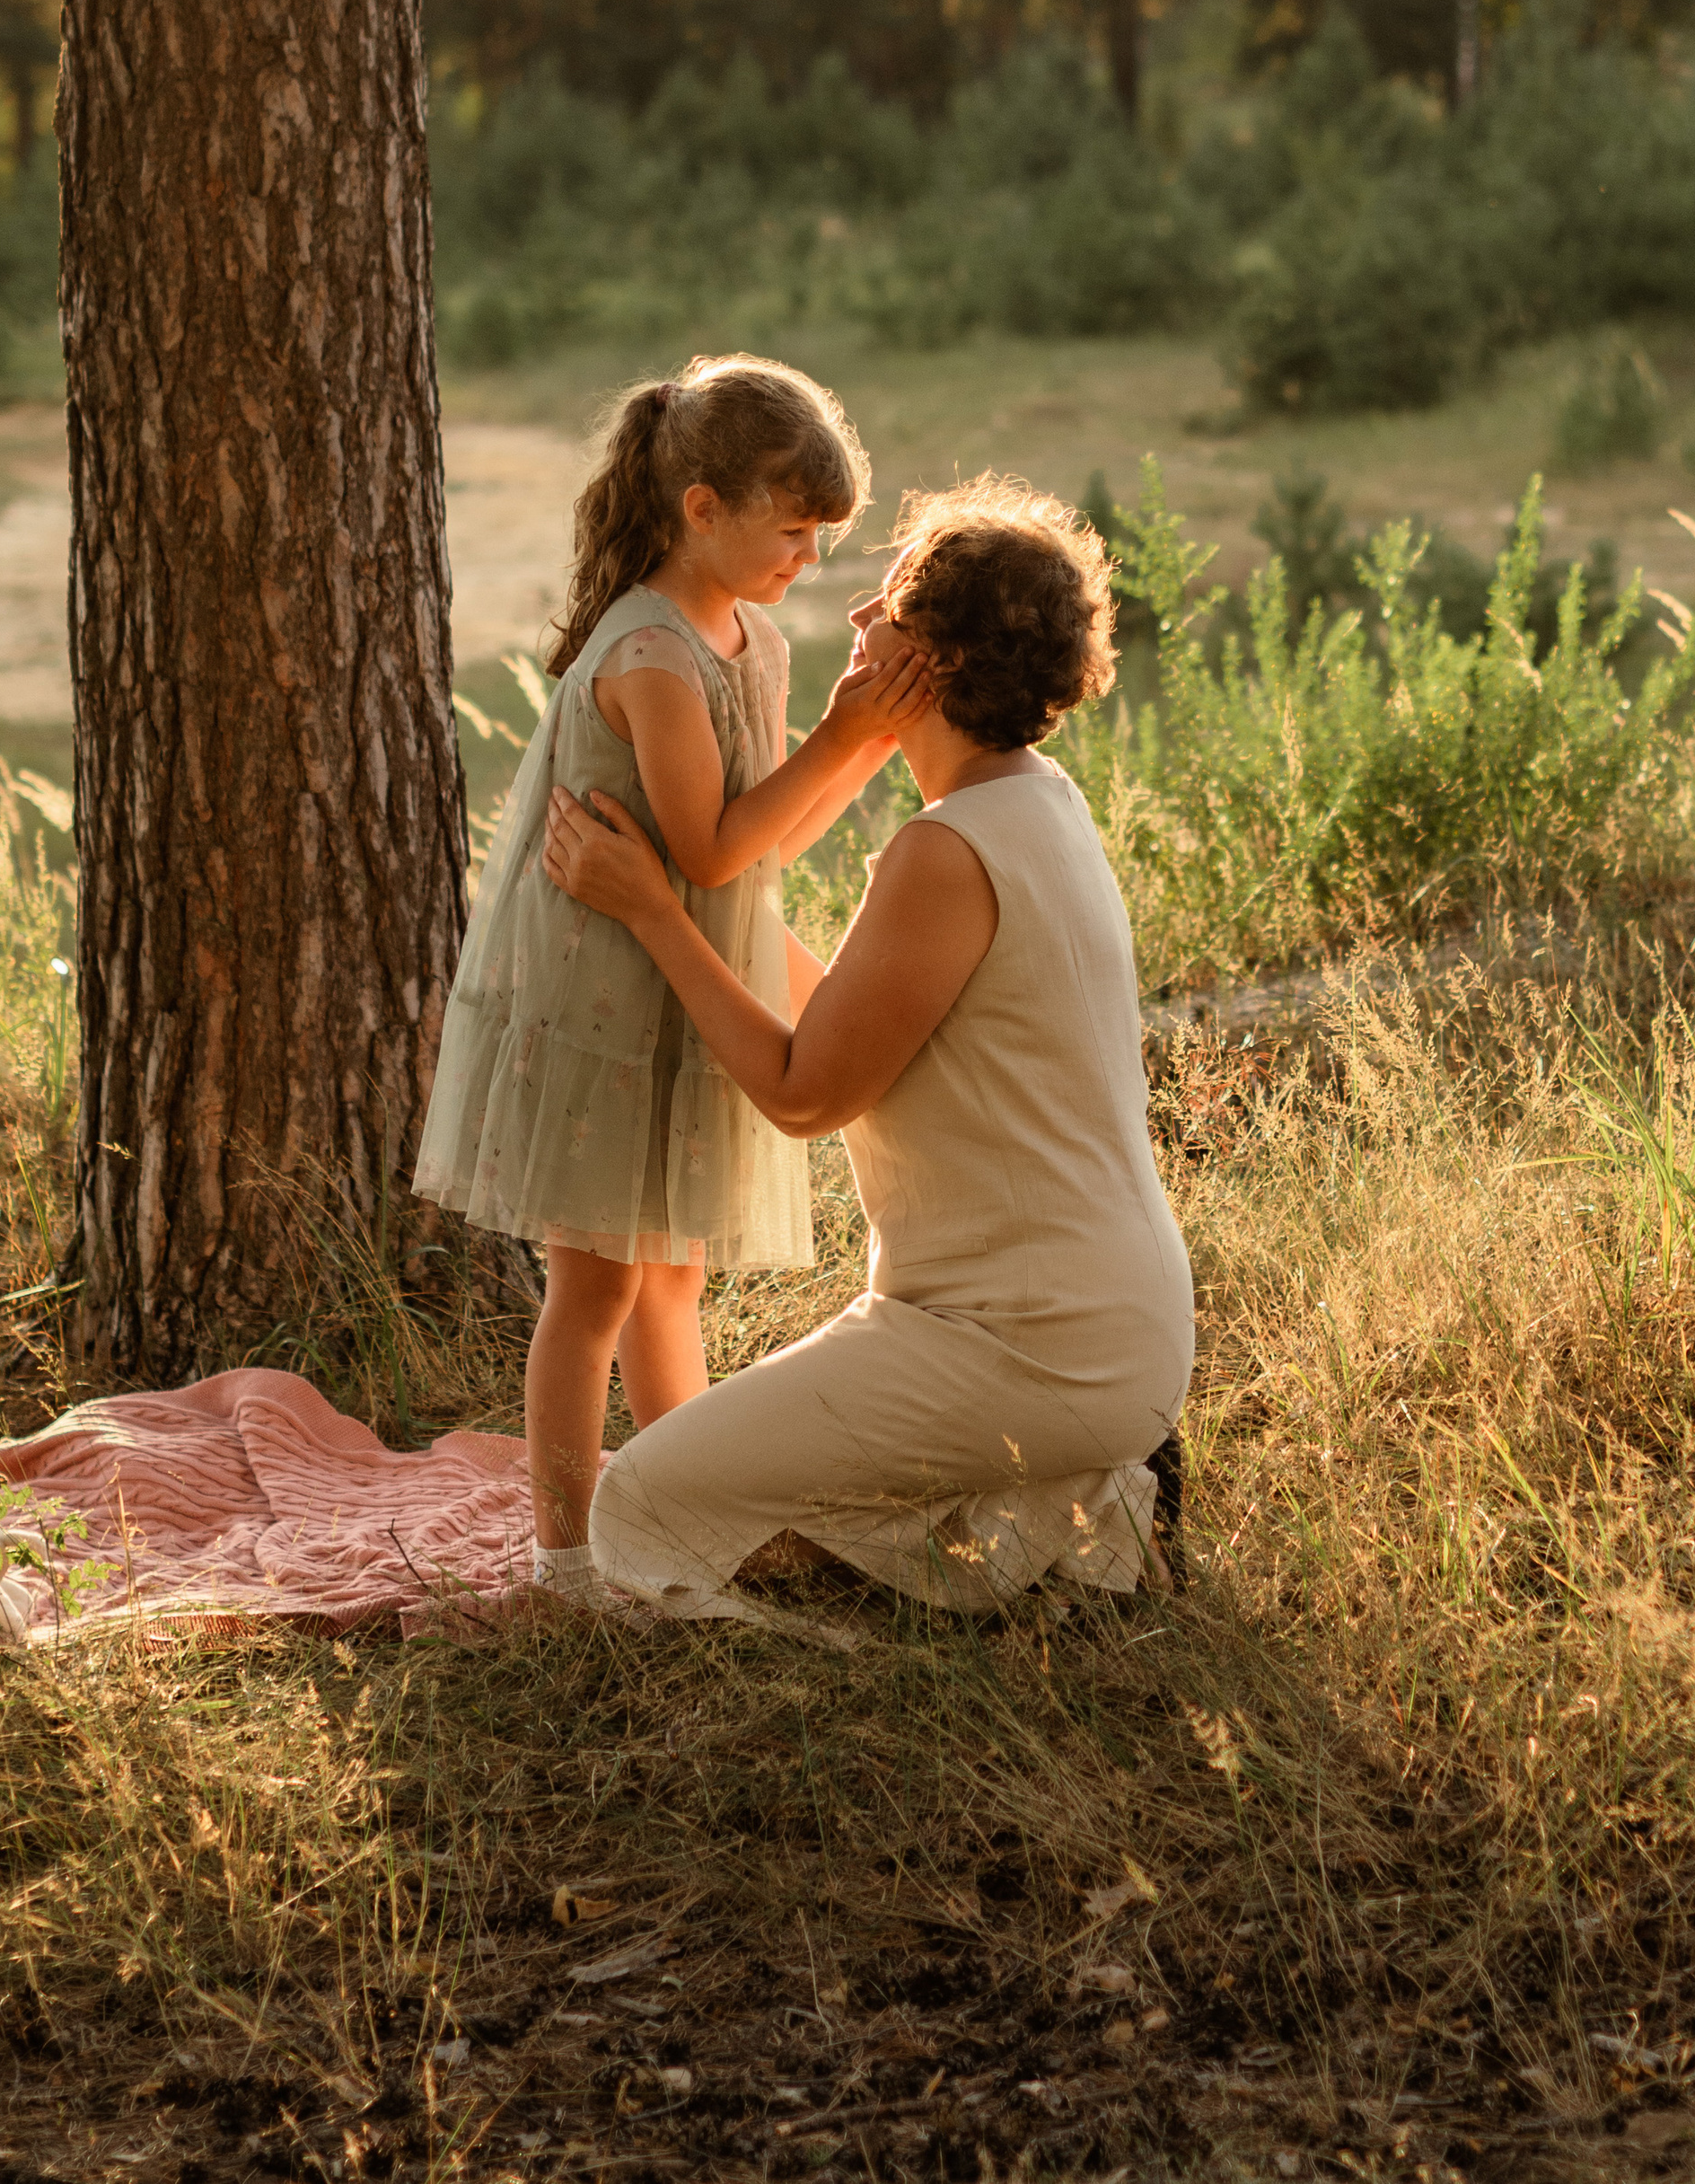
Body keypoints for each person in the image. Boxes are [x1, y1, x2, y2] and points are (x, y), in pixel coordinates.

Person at [539, 474, 1195, 1616]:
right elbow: (847, 1007)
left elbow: (802, 1091)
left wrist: (654, 912)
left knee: (640, 1502)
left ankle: (1048, 1529)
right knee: (750, 1478)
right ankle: (1077, 1508)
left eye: (886, 600)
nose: (854, 620)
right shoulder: (1037, 803)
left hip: (1028, 1343)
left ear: (932, 661)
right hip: (1105, 1329)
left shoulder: (945, 852)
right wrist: (700, 899)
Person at [414, 354, 935, 1579]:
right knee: (593, 1288)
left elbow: (761, 845)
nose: (810, 559)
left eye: (823, 537)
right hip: (602, 1001)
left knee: (672, 1278)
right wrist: (846, 735)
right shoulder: (649, 650)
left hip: (676, 985)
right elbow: (703, 849)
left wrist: (864, 746)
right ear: (703, 510)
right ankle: (566, 1558)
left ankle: (679, 1514)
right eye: (795, 530)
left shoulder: (748, 635)